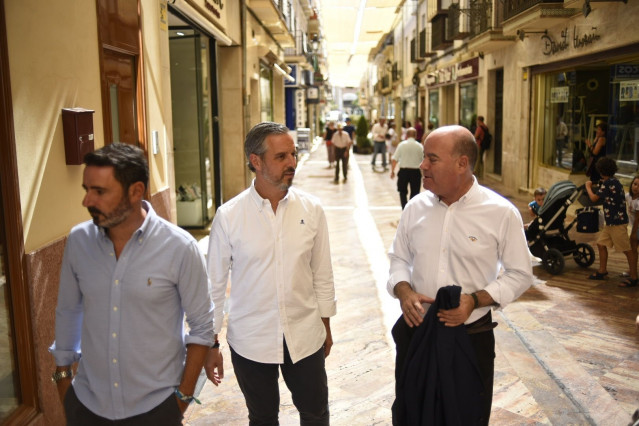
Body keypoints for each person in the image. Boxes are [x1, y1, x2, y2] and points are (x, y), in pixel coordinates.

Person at [49, 143, 214, 425]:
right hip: (88, 406)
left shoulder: (179, 247)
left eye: (99, 191)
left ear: (136, 191)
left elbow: (202, 326)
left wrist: (181, 401)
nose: (87, 201)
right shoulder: (79, 241)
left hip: (157, 408)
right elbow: (68, 312)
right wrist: (65, 386)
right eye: (86, 189)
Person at [388, 125, 533, 425]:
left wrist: (474, 300)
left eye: (432, 158)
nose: (422, 165)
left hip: (471, 341)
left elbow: (520, 274)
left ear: (462, 164)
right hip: (418, 335)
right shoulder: (415, 208)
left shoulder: (501, 213)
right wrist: (404, 290)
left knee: (466, 417)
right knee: (411, 414)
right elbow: (399, 258)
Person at [205, 122, 337, 425]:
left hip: (305, 336)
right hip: (251, 340)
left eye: (293, 154)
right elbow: (214, 285)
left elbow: (322, 273)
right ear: (256, 161)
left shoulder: (312, 209)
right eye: (281, 157)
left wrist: (325, 326)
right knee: (263, 417)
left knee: (315, 413)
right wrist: (211, 343)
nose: (292, 162)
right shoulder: (229, 216)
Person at [585, 156, 638, 287]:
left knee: (627, 250)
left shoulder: (607, 184)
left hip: (617, 224)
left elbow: (593, 198)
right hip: (611, 223)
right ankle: (602, 271)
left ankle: (634, 277)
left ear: (601, 171)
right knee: (601, 244)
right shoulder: (615, 182)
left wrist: (588, 186)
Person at [390, 127, 423, 209]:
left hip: (403, 172)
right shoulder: (420, 146)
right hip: (415, 172)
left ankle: (404, 208)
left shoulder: (401, 145)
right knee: (415, 193)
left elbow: (395, 159)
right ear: (415, 135)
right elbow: (423, 161)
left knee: (402, 191)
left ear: (407, 135)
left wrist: (392, 171)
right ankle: (411, 209)